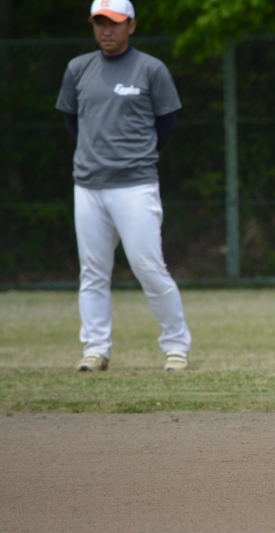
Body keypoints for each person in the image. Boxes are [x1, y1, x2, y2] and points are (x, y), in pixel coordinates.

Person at [55, 0, 191, 372]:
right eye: (99, 23)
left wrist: (135, 156)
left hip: (135, 184)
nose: (106, 31)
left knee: (148, 267)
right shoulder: (78, 68)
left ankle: (176, 347)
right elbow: (72, 120)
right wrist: (95, 155)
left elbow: (167, 124)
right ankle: (95, 349)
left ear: (131, 25)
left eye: (114, 23)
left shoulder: (150, 68)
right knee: (93, 272)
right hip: (88, 185)